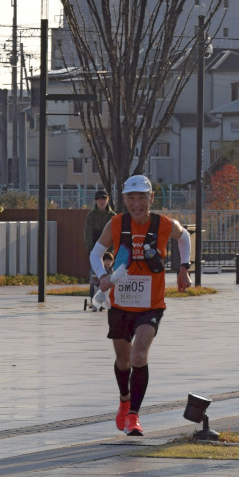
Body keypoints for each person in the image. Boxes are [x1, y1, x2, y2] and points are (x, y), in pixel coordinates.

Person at [91, 174, 191, 437]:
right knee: (123, 360)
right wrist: (102, 276)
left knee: (138, 356)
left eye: (142, 198)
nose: (137, 204)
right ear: (124, 200)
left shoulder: (163, 224)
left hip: (151, 304)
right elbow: (95, 253)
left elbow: (184, 237)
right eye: (132, 198)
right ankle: (125, 401)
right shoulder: (116, 223)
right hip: (120, 304)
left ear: (151, 198)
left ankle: (134, 416)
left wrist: (184, 267)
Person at [84, 189, 114, 303]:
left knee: (112, 275)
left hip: (110, 253)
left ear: (108, 200)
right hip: (95, 251)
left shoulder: (113, 216)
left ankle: (111, 298)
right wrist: (91, 250)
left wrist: (111, 252)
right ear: (96, 201)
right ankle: (94, 297)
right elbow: (87, 234)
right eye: (99, 199)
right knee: (95, 276)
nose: (102, 201)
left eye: (104, 198)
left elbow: (115, 235)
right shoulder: (91, 216)